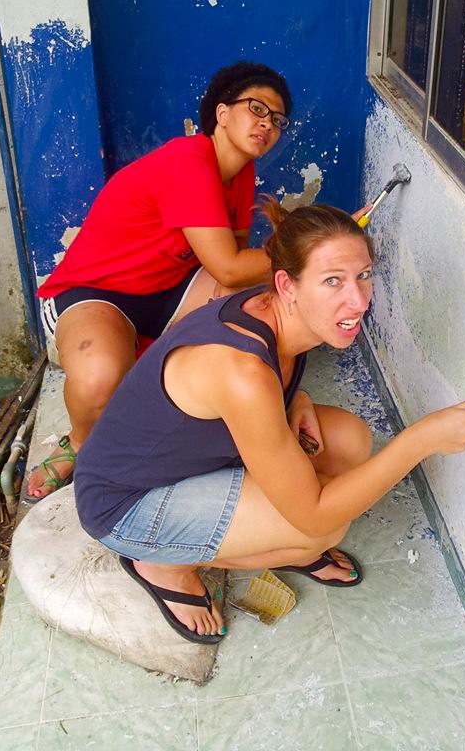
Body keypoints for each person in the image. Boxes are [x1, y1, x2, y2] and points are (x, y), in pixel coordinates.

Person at [73, 199, 465, 644]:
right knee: (321, 529)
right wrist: (419, 441)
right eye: (332, 281)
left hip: (189, 459)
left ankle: (271, 542)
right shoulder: (242, 371)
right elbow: (314, 513)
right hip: (126, 503)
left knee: (349, 439)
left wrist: (295, 399)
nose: (358, 300)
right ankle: (164, 566)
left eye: (364, 275)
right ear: (287, 284)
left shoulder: (270, 309)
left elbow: (237, 394)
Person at [27, 62, 294, 502]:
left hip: (171, 290)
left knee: (260, 306)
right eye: (257, 108)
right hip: (96, 293)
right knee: (98, 380)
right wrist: (307, 251)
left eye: (278, 119)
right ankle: (78, 442)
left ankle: (239, 408)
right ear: (222, 113)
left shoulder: (240, 172)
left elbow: (238, 266)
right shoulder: (188, 161)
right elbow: (229, 266)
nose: (268, 124)